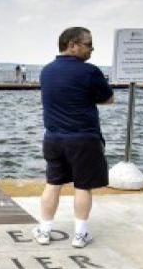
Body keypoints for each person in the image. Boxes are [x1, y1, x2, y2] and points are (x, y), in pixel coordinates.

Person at [33, 26, 114, 248]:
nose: (92, 49)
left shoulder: (46, 71)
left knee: (52, 184)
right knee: (83, 187)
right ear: (72, 45)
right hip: (83, 139)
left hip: (53, 138)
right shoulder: (89, 72)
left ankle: (44, 231)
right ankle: (80, 235)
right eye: (88, 44)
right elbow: (108, 99)